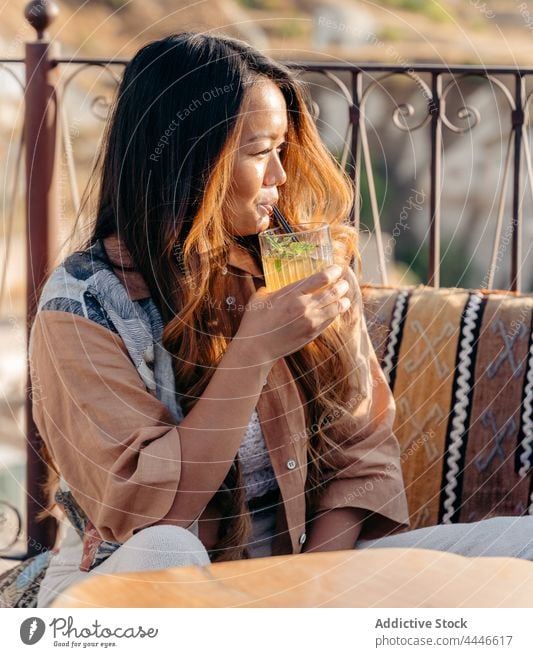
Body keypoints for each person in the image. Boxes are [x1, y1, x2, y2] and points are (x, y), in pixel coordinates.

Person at [28, 33, 533, 610]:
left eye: (282, 150)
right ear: (188, 157)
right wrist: (253, 351)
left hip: (302, 580)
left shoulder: (292, 266)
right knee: (167, 549)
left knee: (522, 543)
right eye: (258, 150)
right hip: (147, 588)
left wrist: (303, 594)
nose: (281, 176)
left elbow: (361, 453)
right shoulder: (82, 306)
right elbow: (158, 510)